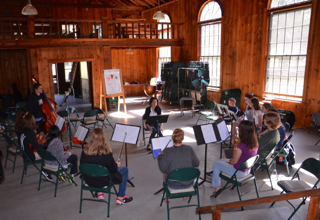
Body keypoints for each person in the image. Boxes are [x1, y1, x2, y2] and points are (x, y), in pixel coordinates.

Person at [80, 128, 133, 204]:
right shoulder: (106, 153)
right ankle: (121, 197)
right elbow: (113, 170)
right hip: (103, 182)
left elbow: (83, 167)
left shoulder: (85, 151)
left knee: (95, 170)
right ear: (103, 138)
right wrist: (116, 165)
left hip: (89, 180)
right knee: (125, 169)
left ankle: (99, 193)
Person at [210, 121, 258, 197]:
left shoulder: (241, 146)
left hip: (238, 172)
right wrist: (228, 162)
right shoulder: (255, 142)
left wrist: (229, 162)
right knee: (221, 161)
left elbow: (234, 161)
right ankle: (230, 182)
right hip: (247, 170)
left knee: (216, 164)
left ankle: (217, 187)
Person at [19, 114, 52, 181]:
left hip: (24, 154)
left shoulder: (23, 130)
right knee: (47, 153)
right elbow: (37, 146)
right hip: (29, 156)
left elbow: (28, 140)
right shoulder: (30, 133)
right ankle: (46, 171)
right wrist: (46, 146)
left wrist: (34, 138)